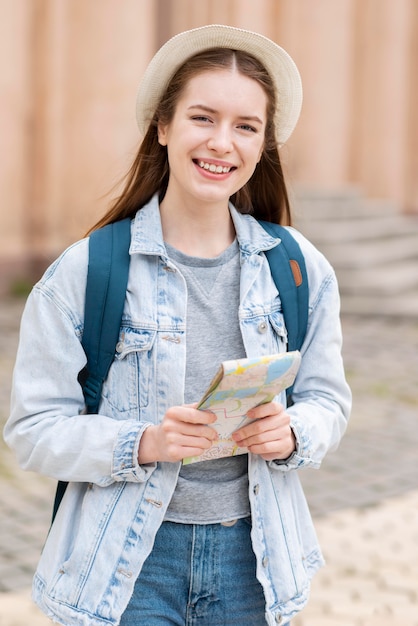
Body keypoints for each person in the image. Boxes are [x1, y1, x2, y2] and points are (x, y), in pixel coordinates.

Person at [4, 24, 351, 626]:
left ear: (263, 145)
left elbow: (328, 400)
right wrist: (144, 443)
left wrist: (293, 431)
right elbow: (33, 428)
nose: (222, 143)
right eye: (202, 118)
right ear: (163, 127)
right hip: (128, 567)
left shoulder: (298, 268)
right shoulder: (87, 271)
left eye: (246, 126)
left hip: (257, 563)